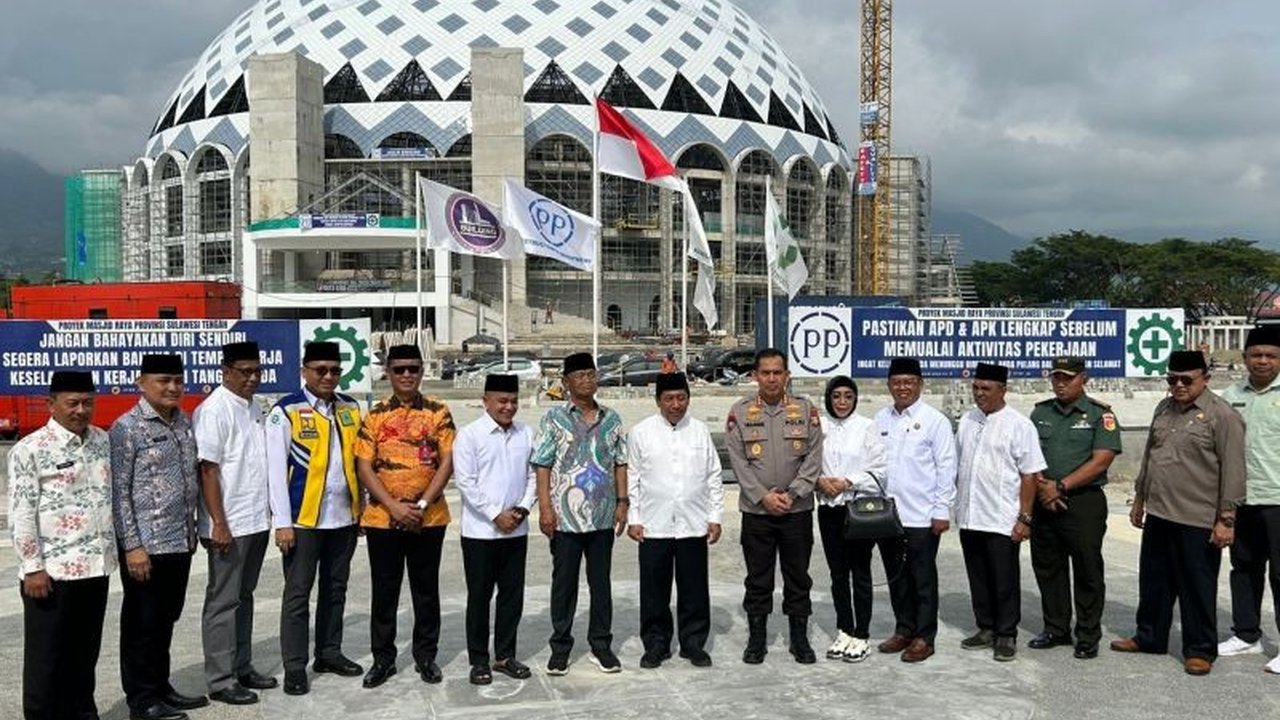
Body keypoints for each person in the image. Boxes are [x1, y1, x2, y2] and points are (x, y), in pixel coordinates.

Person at [1111, 350, 1246, 675]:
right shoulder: (1164, 407)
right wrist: (1140, 498)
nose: (1179, 385)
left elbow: (1233, 470)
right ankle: (1150, 637)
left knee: (1196, 587)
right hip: (1159, 512)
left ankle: (1199, 649)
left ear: (1205, 379)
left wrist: (1226, 519)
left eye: (1187, 379)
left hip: (1198, 518)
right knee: (1154, 582)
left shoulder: (1222, 415)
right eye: (1173, 379)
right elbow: (1150, 455)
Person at [10, 370, 115, 720]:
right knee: (46, 659)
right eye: (72, 403)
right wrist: (32, 568)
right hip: (52, 573)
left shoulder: (102, 440)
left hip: (95, 567)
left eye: (88, 402)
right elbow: (21, 513)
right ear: (50, 404)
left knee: (85, 653)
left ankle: (82, 712)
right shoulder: (30, 449)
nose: (81, 410)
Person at [110, 354, 205, 720]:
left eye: (178, 380)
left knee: (166, 618)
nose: (172, 387)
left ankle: (161, 687)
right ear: (141, 382)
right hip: (145, 547)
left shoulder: (183, 422)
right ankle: (142, 699)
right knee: (141, 624)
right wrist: (132, 546)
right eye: (163, 380)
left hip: (179, 541)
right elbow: (119, 492)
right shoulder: (127, 427)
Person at [267, 341, 364, 695]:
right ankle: (295, 665)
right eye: (320, 370)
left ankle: (329, 653)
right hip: (303, 521)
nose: (328, 376)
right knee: (298, 594)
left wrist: (362, 510)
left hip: (343, 519)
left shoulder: (351, 408)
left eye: (334, 370)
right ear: (304, 371)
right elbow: (276, 472)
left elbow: (359, 463)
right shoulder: (286, 411)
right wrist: (282, 522)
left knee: (335, 589)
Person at [354, 344, 455, 688]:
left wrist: (422, 505)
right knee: (385, 590)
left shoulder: (439, 413)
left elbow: (447, 462)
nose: (407, 375)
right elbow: (364, 465)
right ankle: (383, 659)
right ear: (389, 373)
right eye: (399, 370)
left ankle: (426, 656)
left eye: (413, 368)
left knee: (426, 590)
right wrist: (394, 507)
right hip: (384, 518)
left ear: (422, 370)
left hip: (429, 518)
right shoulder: (375, 415)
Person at [725, 348, 824, 665]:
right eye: (764, 372)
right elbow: (738, 463)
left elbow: (814, 457)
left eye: (777, 372)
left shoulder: (805, 410)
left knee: (798, 577)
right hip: (757, 513)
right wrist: (763, 496)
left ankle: (799, 640)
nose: (771, 378)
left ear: (787, 375)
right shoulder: (739, 413)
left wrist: (793, 494)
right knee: (758, 578)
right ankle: (757, 641)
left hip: (797, 511)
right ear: (754, 376)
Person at [531, 352, 629, 676]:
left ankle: (601, 645)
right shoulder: (554, 419)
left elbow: (620, 463)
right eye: (579, 375)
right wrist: (545, 509)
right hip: (564, 520)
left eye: (591, 374)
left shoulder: (612, 419)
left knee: (601, 584)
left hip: (602, 517)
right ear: (566, 382)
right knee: (564, 585)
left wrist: (622, 503)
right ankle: (560, 647)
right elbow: (542, 465)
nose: (586, 380)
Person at [193, 341, 276, 706]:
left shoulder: (254, 406)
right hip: (229, 522)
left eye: (257, 371)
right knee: (223, 602)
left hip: (255, 518)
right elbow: (208, 469)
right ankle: (221, 679)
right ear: (225, 372)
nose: (252, 378)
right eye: (245, 372)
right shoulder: (214, 410)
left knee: (244, 597)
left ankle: (242, 667)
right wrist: (218, 524)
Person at [627, 372, 725, 669]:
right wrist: (634, 518)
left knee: (694, 588)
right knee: (654, 589)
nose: (675, 404)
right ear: (658, 400)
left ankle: (693, 643)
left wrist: (715, 516)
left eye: (681, 398)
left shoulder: (699, 431)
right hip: (654, 524)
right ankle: (656, 644)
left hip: (693, 523)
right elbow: (632, 477)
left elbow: (713, 476)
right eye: (669, 399)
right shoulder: (641, 432)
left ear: (688, 399)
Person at [1028, 356, 1122, 660]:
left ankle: (1087, 633)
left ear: (1084, 379)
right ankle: (1056, 628)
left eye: (1067, 378)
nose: (1061, 383)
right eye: (1056, 377)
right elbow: (1028, 454)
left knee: (1087, 568)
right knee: (1048, 566)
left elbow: (1102, 460)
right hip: (1044, 499)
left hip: (1083, 501)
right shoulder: (1040, 412)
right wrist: (1044, 487)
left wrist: (1061, 485)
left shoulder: (1100, 414)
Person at [955, 363, 1046, 662]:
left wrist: (1024, 517)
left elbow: (1030, 475)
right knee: (978, 576)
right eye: (976, 388)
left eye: (986, 389)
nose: (979, 394)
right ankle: (986, 628)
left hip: (1002, 517)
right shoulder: (968, 420)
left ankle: (1006, 633)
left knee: (1004, 578)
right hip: (971, 515)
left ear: (1002, 390)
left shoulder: (1019, 425)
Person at [453, 374, 537, 685]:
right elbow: (466, 482)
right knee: (479, 596)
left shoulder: (526, 433)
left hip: (516, 529)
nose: (508, 407)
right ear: (486, 400)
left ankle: (504, 655)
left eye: (513, 401)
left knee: (512, 595)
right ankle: (478, 660)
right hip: (480, 532)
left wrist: (522, 509)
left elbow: (533, 476)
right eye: (502, 401)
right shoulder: (470, 435)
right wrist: (494, 515)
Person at [872, 357, 957, 663]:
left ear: (920, 384)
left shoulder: (935, 421)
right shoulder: (880, 418)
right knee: (897, 576)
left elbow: (947, 468)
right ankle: (903, 629)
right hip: (888, 516)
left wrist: (941, 510)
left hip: (922, 514)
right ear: (889, 385)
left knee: (922, 578)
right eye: (897, 382)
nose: (903, 388)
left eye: (909, 382)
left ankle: (924, 636)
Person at [1217, 325, 1280, 671]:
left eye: (1271, 355)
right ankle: (1246, 635)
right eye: (1256, 355)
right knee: (1244, 569)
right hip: (1242, 500)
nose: (1263, 361)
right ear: (1244, 359)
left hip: (1278, 500)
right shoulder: (1229, 396)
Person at [814, 375, 887, 664]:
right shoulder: (819, 425)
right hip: (829, 508)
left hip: (857, 510)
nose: (842, 402)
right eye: (837, 396)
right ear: (829, 398)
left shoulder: (867, 427)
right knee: (837, 573)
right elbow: (808, 461)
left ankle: (862, 634)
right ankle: (844, 628)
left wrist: (847, 482)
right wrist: (821, 482)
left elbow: (879, 469)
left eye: (848, 396)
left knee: (860, 572)